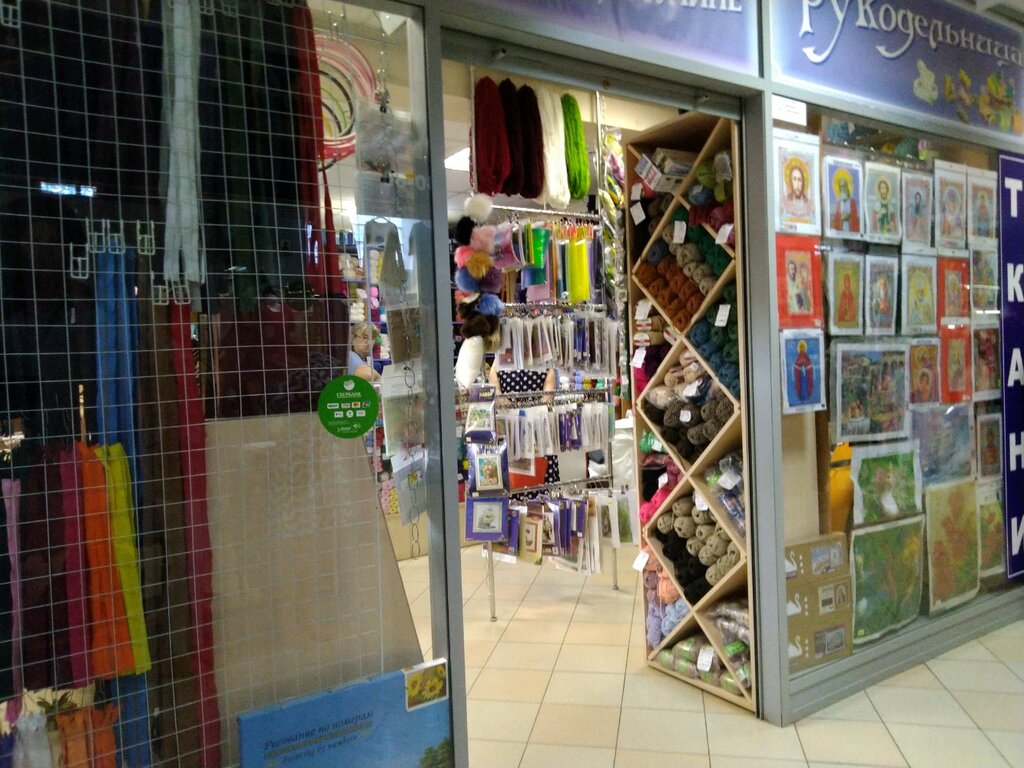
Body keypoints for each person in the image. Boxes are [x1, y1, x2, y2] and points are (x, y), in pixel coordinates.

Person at [831, 169, 860, 234]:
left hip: (851, 234)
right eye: (841, 187)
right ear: (839, 188)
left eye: (845, 186)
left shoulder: (852, 203)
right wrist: (842, 219)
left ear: (847, 187)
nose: (843, 189)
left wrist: (849, 217)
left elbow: (855, 221)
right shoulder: (838, 204)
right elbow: (836, 222)